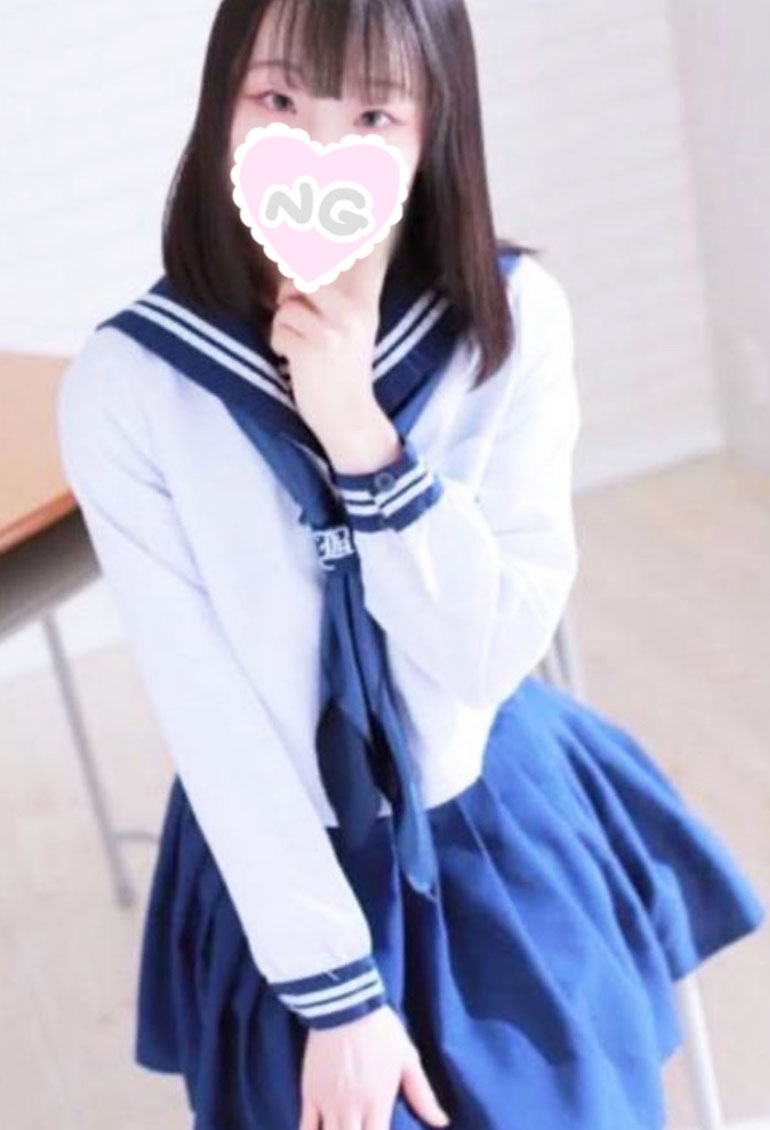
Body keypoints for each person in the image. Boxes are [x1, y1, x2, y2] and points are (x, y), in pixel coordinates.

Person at [56, 1, 766, 1128]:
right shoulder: (130, 389)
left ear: (436, 127)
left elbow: (485, 650)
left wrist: (364, 443)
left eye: (374, 114)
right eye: (277, 97)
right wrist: (338, 1000)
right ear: (220, 101)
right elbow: (213, 717)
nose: (319, 147)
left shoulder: (511, 322)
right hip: (279, 858)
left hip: (485, 805)